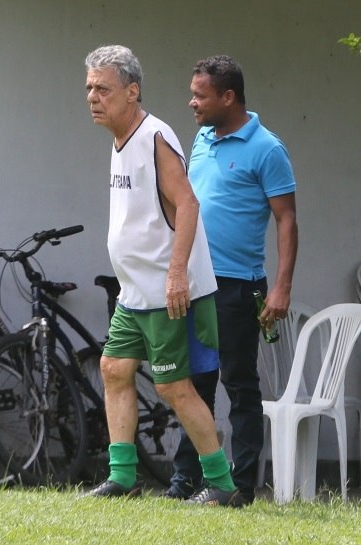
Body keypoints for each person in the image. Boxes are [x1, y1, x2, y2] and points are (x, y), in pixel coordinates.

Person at [83, 45, 239, 506]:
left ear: (132, 92)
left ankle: (223, 486)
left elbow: (188, 204)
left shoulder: (154, 137)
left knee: (173, 385)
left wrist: (176, 276)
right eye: (89, 88)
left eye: (103, 89)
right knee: (114, 369)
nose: (93, 97)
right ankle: (122, 476)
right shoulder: (120, 138)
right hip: (136, 293)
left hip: (164, 293)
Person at [166, 56, 297, 505]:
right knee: (193, 383)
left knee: (238, 384)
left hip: (239, 285)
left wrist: (281, 288)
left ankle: (239, 487)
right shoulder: (201, 138)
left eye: (200, 95)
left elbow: (287, 221)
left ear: (228, 97)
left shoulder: (267, 148)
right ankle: (186, 479)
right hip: (195, 283)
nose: (192, 102)